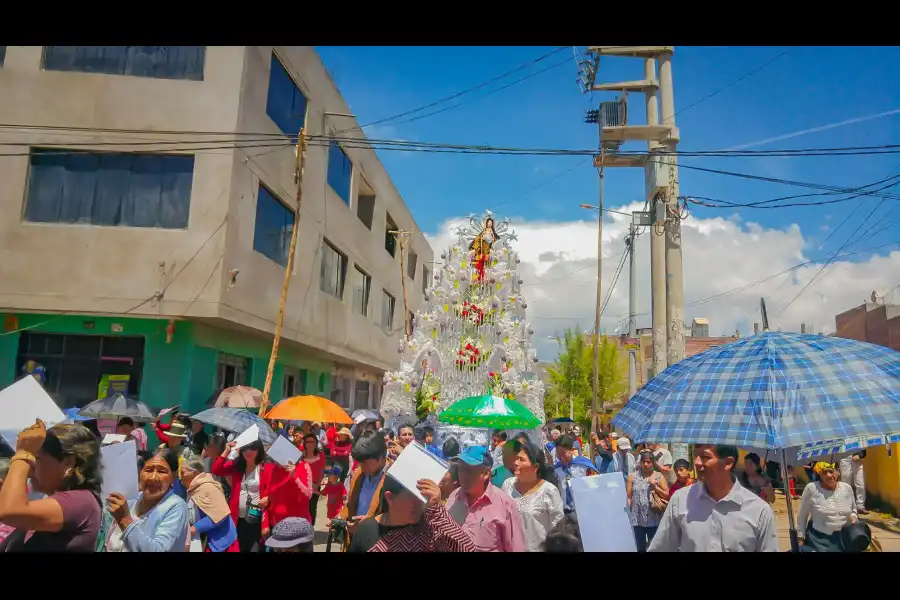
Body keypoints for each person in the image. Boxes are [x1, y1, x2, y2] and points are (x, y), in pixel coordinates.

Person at [649, 444, 778, 552]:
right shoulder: (680, 500)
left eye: (705, 457)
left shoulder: (759, 511)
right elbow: (660, 547)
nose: (697, 462)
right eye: (695, 455)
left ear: (728, 463)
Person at [0, 420, 101, 552]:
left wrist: (23, 454)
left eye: (37, 458)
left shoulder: (81, 501)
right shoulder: (57, 502)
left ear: (68, 463)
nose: (30, 470)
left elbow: (10, 513)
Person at [349, 475, 475, 552]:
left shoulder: (431, 527)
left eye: (423, 498)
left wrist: (437, 510)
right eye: (412, 498)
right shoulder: (366, 529)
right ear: (390, 497)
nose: (420, 504)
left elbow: (467, 548)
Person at [97, 448, 190, 552]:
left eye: (161, 471)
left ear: (173, 477)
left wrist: (125, 520)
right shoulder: (131, 500)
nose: (153, 477)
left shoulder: (176, 507)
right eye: (148, 470)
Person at [445, 446, 526, 552]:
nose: (463, 475)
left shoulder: (505, 505)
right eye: (461, 469)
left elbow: (516, 548)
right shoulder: (453, 497)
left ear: (486, 473)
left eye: (468, 470)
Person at [500, 441, 564, 552]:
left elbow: (558, 530)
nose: (515, 463)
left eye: (522, 460)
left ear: (535, 467)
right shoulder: (507, 485)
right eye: (516, 458)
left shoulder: (549, 491)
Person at [211, 439, 271, 552]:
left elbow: (275, 488)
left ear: (259, 450)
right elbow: (216, 470)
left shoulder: (266, 468)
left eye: (252, 449)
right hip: (237, 518)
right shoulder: (236, 465)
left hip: (257, 517)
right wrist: (226, 451)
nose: (248, 452)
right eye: (245, 449)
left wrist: (269, 498)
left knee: (255, 548)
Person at [342, 431, 391, 550]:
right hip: (356, 540)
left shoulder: (392, 479)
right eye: (359, 462)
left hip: (379, 544)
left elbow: (400, 516)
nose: (362, 466)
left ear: (381, 457)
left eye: (366, 463)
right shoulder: (359, 473)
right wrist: (343, 519)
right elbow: (350, 502)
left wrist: (370, 523)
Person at [180, 457, 239, 552]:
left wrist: (195, 528)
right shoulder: (193, 489)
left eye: (183, 472)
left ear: (194, 473)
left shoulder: (209, 487)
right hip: (204, 541)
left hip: (221, 543)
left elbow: (221, 515)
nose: (180, 476)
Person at [797, 462, 859, 552]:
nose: (829, 475)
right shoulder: (812, 489)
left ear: (838, 471)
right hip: (819, 541)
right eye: (825, 472)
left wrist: (854, 516)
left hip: (845, 540)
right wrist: (800, 538)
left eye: (831, 471)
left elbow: (854, 509)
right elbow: (802, 515)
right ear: (819, 474)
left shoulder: (847, 488)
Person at [627, 451, 669, 552]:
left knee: (653, 547)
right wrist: (628, 513)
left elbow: (667, 495)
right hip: (637, 519)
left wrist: (655, 486)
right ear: (640, 462)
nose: (646, 464)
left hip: (654, 518)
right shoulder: (632, 477)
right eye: (644, 461)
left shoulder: (659, 476)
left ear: (653, 463)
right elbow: (628, 497)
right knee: (639, 547)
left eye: (648, 462)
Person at [553, 435, 598, 514]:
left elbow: (594, 485)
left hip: (583, 508)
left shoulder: (584, 466)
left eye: (564, 453)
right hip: (564, 510)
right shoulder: (557, 469)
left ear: (572, 450)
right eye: (558, 454)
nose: (561, 457)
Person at [301, 433, 327, 524]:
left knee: (312, 507)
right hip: (302, 485)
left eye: (312, 442)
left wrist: (317, 485)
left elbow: (322, 471)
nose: (310, 444)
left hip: (315, 485)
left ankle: (310, 526)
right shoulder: (300, 453)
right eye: (307, 442)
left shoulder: (320, 455)